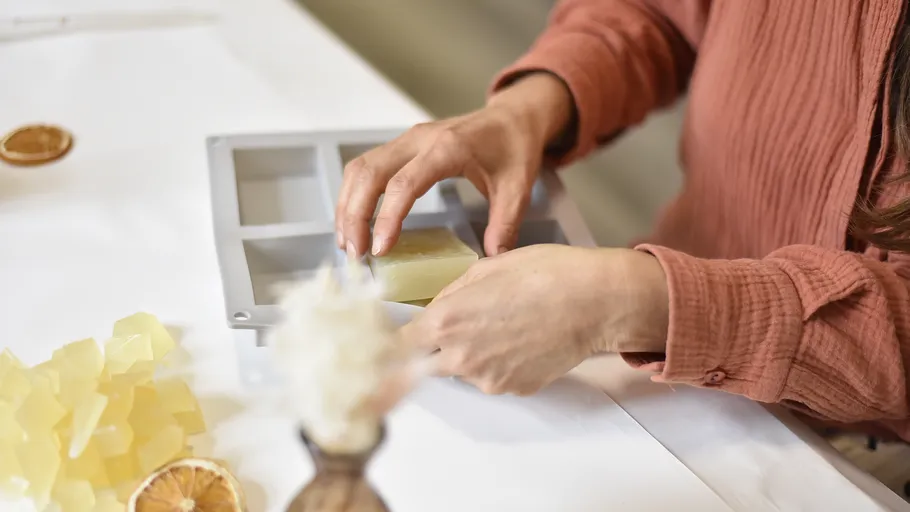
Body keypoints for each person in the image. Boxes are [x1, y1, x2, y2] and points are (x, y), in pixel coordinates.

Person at [334, 0, 910, 442]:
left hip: (866, 463)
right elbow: (656, 10)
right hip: (675, 375)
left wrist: (642, 301)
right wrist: (533, 105)